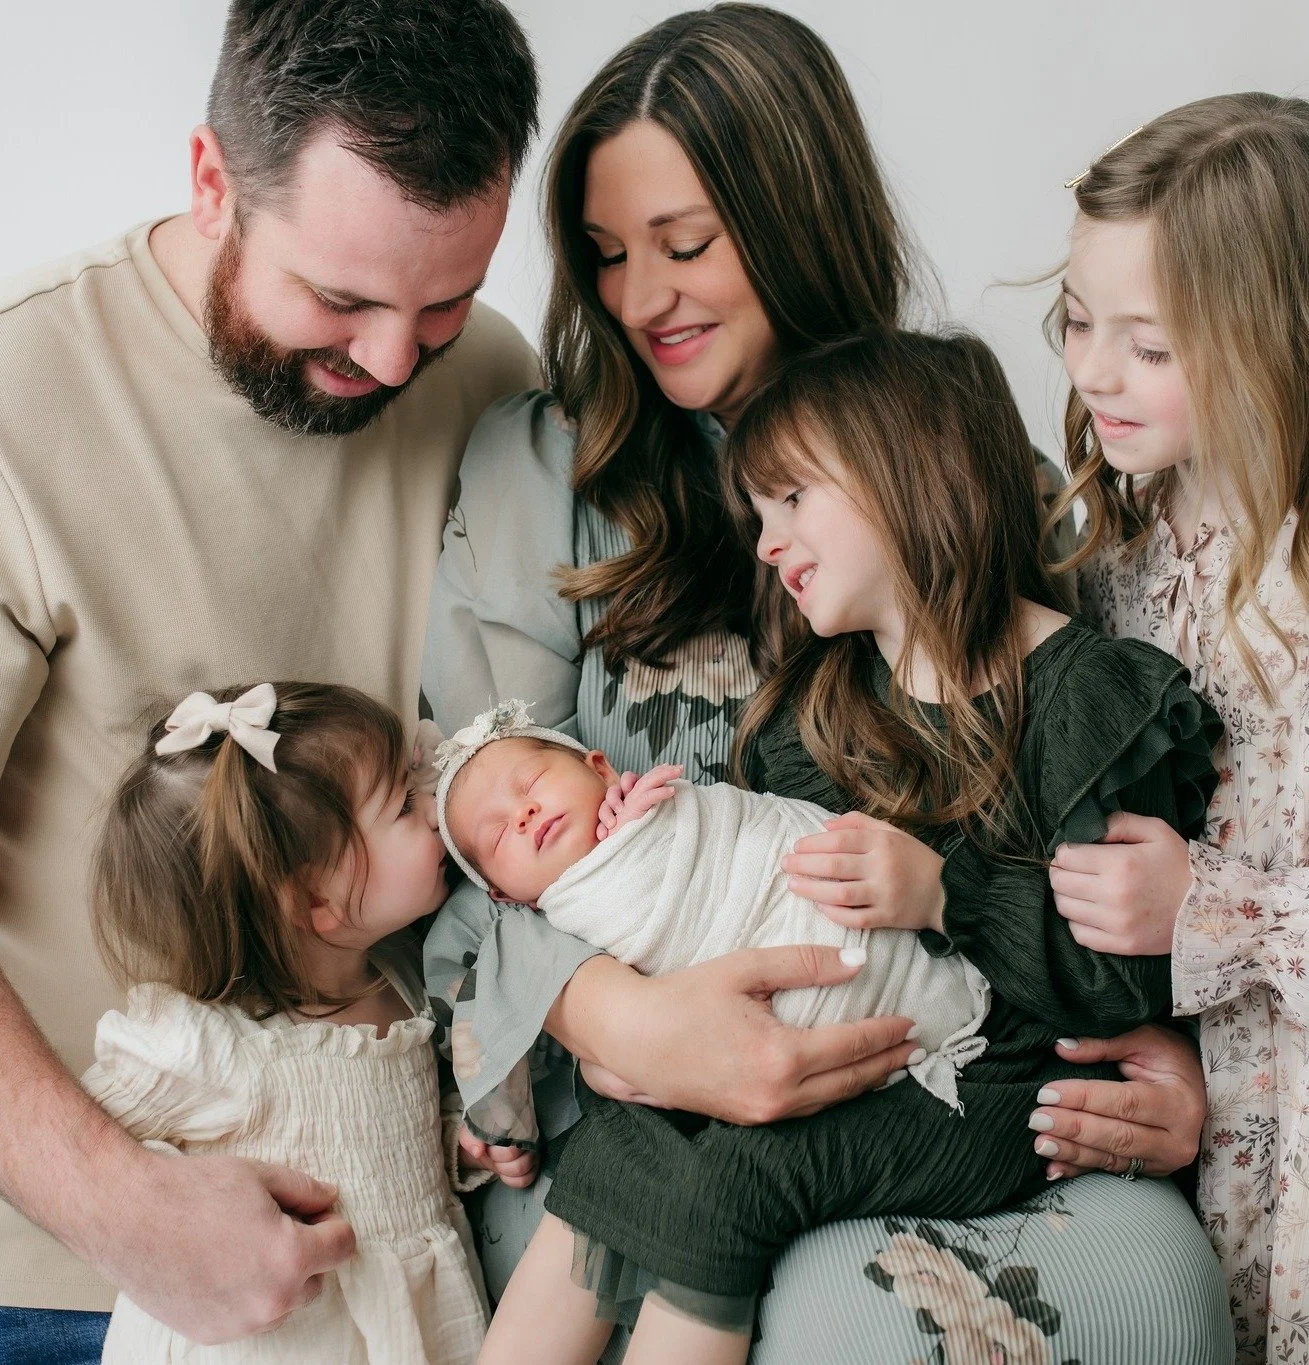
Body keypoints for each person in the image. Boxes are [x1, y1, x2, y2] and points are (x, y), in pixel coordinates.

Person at [422, 8, 1231, 1359]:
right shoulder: (538, 475)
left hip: (940, 1048)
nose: (640, 298)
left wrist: (1171, 1053)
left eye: (686, 247)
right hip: (633, 1070)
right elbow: (473, 838)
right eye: (609, 257)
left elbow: (1098, 808)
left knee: (1140, 1286)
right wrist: (625, 1017)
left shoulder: (964, 465)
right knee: (727, 1236)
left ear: (794, 217)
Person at [0, 2, 539, 1358]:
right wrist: (124, 1208)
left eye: (442, 299)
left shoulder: (496, 379)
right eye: (339, 299)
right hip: (55, 1281)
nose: (394, 361)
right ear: (211, 183)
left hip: (424, 1246)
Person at [1037, 93, 1309, 1365]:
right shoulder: (1113, 568)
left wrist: (1211, 912)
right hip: (1193, 1178)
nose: (1091, 372)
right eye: (1083, 322)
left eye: (1148, 344)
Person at [86, 682, 532, 1363]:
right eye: (403, 806)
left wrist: (455, 1142)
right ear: (315, 898)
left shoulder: (403, 976)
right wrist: (169, 1202)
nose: (435, 810)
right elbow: (96, 1148)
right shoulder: (211, 1047)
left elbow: (387, 1149)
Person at [435, 701, 989, 1109]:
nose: (525, 814)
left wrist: (638, 829)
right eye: (498, 833)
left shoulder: (660, 803)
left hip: (846, 908)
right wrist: (604, 1046)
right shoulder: (547, 930)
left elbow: (741, 833)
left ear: (600, 770)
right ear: (505, 895)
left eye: (531, 782)